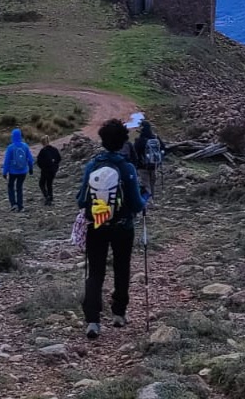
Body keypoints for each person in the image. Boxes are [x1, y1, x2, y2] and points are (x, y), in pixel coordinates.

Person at [77, 118, 146, 340]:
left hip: (96, 225)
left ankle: (92, 320)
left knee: (95, 271)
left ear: (103, 140)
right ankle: (118, 313)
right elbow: (137, 204)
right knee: (122, 267)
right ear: (123, 141)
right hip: (123, 226)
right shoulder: (127, 168)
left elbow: (81, 200)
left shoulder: (92, 165)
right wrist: (145, 197)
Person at [2, 127, 34, 212]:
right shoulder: (25, 146)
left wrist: (4, 172)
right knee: (19, 187)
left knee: (10, 186)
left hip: (13, 172)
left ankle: (13, 204)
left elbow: (7, 161)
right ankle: (20, 206)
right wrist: (31, 168)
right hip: (23, 171)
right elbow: (30, 159)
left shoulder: (10, 147)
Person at [134, 120, 165, 200]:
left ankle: (149, 202)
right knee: (152, 184)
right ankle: (152, 200)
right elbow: (163, 148)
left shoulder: (139, 140)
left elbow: (135, 153)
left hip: (142, 166)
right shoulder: (155, 137)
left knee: (146, 185)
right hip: (154, 165)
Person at [36, 135, 61, 205]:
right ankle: (51, 196)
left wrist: (42, 167)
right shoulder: (54, 149)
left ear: (42, 143)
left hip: (45, 171)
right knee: (49, 184)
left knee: (41, 183)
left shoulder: (42, 151)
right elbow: (59, 158)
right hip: (53, 170)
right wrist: (55, 166)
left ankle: (46, 196)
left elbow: (39, 162)